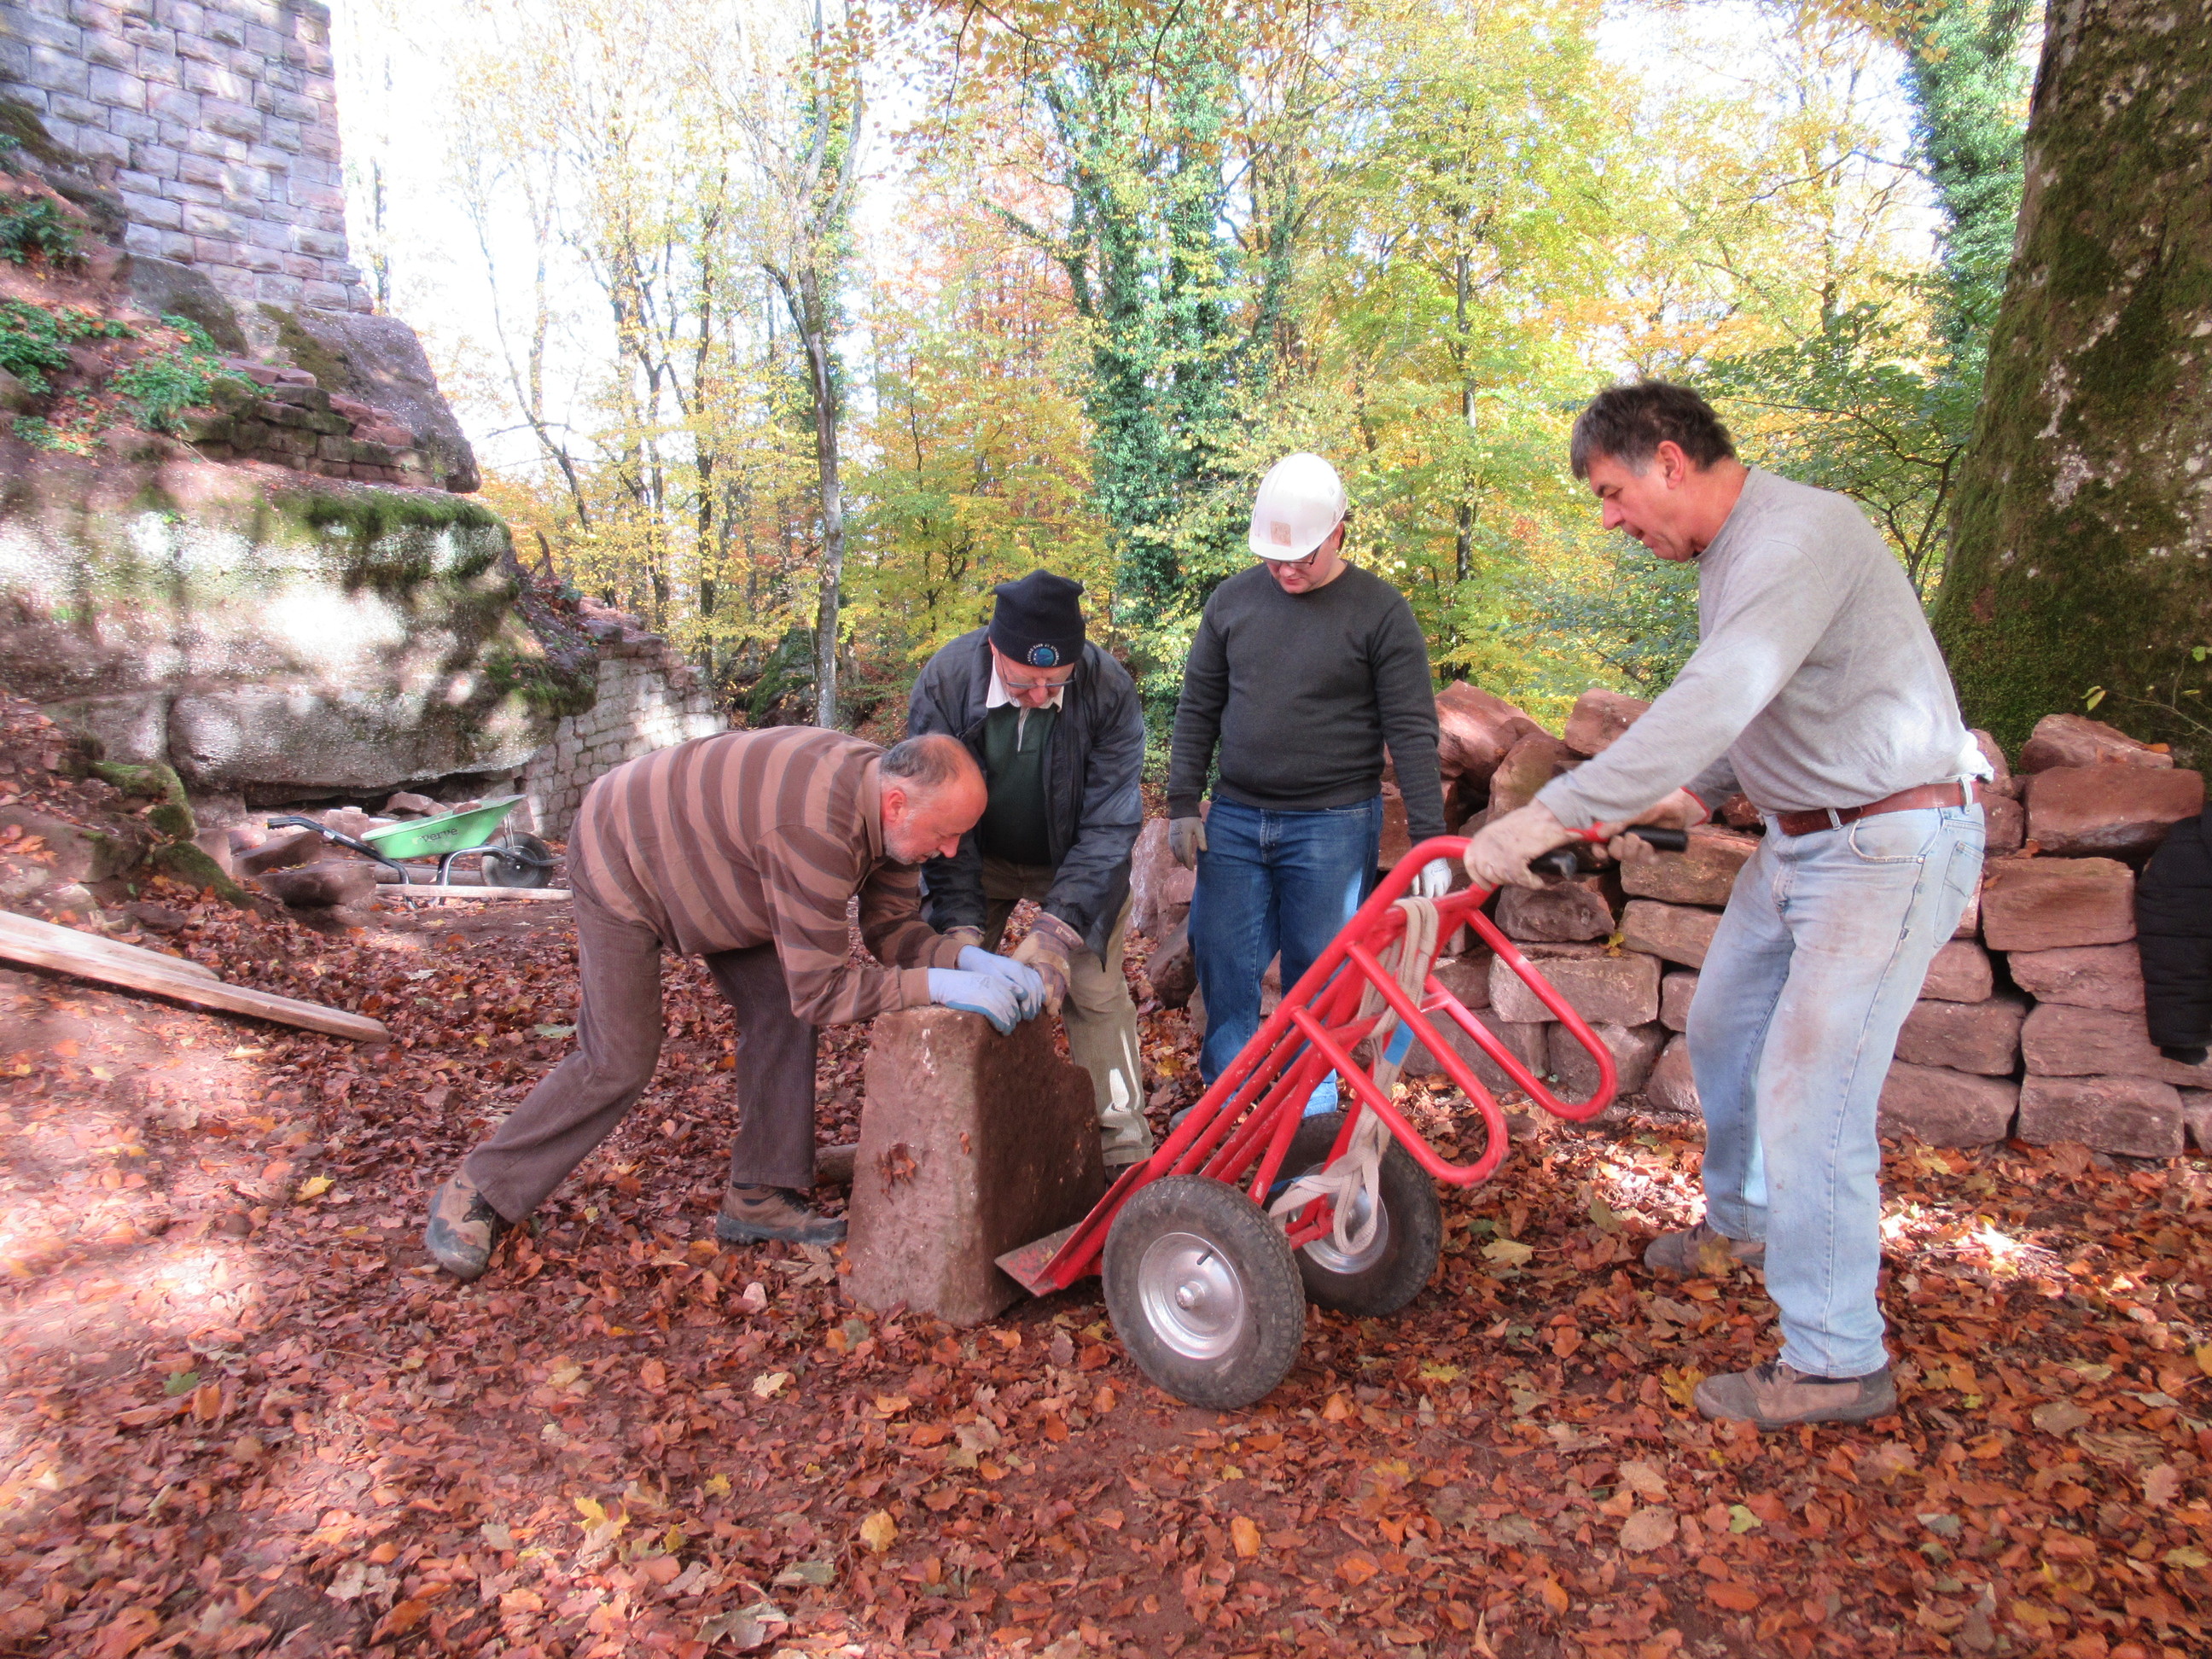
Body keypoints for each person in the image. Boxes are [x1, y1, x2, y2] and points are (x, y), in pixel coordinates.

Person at [1464, 381, 1988, 1429]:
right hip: (1805, 844)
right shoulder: (1735, 557)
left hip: (1886, 847)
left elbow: (1715, 697)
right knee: (1722, 1027)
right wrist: (1689, 798)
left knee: (1810, 1089)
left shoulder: (1797, 536)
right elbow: (1772, 703)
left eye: (1611, 493)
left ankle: (1837, 1360)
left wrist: (1557, 813)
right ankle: (1746, 1221)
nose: (1609, 520)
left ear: (1668, 460)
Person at [423, 728, 1048, 1278]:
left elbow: (890, 928)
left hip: (727, 865)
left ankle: (761, 1196)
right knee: (618, 1058)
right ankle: (480, 1191)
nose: (949, 852)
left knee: (779, 1006)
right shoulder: (816, 828)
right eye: (946, 835)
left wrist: (963, 959)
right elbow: (823, 992)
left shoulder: (891, 808)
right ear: (896, 803)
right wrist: (937, 986)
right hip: (626, 849)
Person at [1167, 452, 1451, 1116]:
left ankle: (1308, 1122)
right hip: (1236, 817)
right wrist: (1183, 801)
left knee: (1318, 977)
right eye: (1273, 559)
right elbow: (1198, 705)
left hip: (1333, 825)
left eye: (1301, 558)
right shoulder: (1232, 602)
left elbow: (1412, 732)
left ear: (1339, 533)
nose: (1286, 571)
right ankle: (1225, 1110)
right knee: (1222, 959)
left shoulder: (1380, 611)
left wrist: (1430, 840)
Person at [906, 570, 1153, 1165]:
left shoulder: (1108, 687)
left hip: (1075, 859)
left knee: (1097, 994)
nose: (1040, 695)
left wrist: (1056, 934)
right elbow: (934, 815)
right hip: (972, 854)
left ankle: (1122, 1149)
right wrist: (959, 929)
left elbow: (1110, 826)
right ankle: (937, 1142)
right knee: (949, 989)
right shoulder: (947, 680)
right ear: (995, 648)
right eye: (1024, 681)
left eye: (1054, 681)